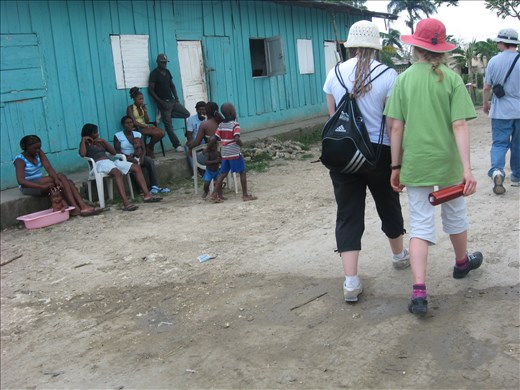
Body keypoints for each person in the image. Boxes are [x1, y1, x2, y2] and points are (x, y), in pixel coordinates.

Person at [384, 18, 483, 315]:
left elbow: (396, 127)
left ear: (416, 46)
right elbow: (460, 124)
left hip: (417, 162)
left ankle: (419, 292)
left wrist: (395, 166)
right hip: (448, 163)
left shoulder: (404, 79)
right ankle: (462, 262)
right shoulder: (452, 79)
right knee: (455, 215)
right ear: (442, 49)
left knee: (420, 224)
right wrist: (467, 169)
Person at [322, 20, 409, 304]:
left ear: (350, 45)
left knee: (348, 213)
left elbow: (333, 117)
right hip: (378, 153)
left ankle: (350, 282)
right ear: (375, 46)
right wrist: (397, 165)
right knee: (388, 203)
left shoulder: (334, 72)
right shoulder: (388, 75)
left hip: (344, 154)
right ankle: (398, 256)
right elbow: (394, 124)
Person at [80, 123, 162, 211]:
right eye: (95, 133)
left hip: (110, 162)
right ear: (89, 134)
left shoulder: (99, 142)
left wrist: (103, 142)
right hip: (99, 164)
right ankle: (126, 203)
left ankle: (147, 196)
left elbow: (113, 153)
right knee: (117, 173)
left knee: (136, 167)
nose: (97, 134)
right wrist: (83, 141)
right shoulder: (85, 144)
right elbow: (82, 154)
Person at [14, 135, 101, 217]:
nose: (37, 150)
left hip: (41, 181)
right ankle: (79, 207)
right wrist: (41, 186)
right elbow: (21, 181)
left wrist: (56, 180)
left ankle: (79, 207)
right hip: (29, 186)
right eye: (35, 148)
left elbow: (48, 167)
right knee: (62, 178)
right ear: (26, 147)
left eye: (39, 148)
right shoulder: (20, 160)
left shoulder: (39, 152)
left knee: (65, 180)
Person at [482, 28, 520, 194]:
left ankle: (497, 170)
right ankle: (517, 177)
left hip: (500, 111)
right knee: (518, 144)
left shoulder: (493, 61)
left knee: (499, 143)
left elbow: (486, 87)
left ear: (502, 42)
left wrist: (485, 104)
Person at [210, 102, 257, 202]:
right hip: (234, 153)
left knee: (223, 173)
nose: (236, 112)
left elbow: (215, 138)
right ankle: (245, 195)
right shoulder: (236, 125)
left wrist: (208, 147)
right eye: (235, 110)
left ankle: (214, 194)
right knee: (242, 172)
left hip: (225, 153)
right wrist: (241, 144)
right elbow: (236, 138)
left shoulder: (221, 125)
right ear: (232, 113)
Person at [113, 116, 170, 195]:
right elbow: (117, 151)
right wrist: (128, 158)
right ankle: (140, 189)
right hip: (125, 158)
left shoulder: (138, 134)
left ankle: (154, 185)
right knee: (132, 166)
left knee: (149, 161)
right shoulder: (118, 135)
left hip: (138, 156)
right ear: (123, 125)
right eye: (127, 123)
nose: (129, 125)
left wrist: (142, 157)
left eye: (131, 122)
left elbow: (143, 148)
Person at [148, 53, 190, 152]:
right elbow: (151, 90)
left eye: (165, 62)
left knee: (186, 113)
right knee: (169, 127)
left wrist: (176, 98)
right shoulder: (154, 74)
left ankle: (165, 115)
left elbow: (172, 85)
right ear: (158, 62)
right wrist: (159, 101)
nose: (164, 64)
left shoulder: (167, 72)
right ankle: (176, 145)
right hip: (163, 103)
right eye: (162, 62)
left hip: (172, 101)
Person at [126, 87, 165, 159]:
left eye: (142, 99)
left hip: (144, 126)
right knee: (157, 133)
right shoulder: (130, 108)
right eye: (139, 99)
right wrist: (146, 126)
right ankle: (150, 149)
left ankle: (149, 146)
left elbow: (147, 121)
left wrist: (145, 111)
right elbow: (133, 122)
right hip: (137, 128)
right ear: (134, 99)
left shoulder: (142, 107)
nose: (142, 101)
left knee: (162, 133)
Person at [184, 101, 207, 175]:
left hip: (205, 141)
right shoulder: (191, 119)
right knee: (187, 147)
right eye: (200, 109)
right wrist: (190, 143)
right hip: (195, 141)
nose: (202, 111)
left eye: (204, 109)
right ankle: (195, 172)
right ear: (197, 110)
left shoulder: (208, 119)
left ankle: (206, 169)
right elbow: (189, 135)